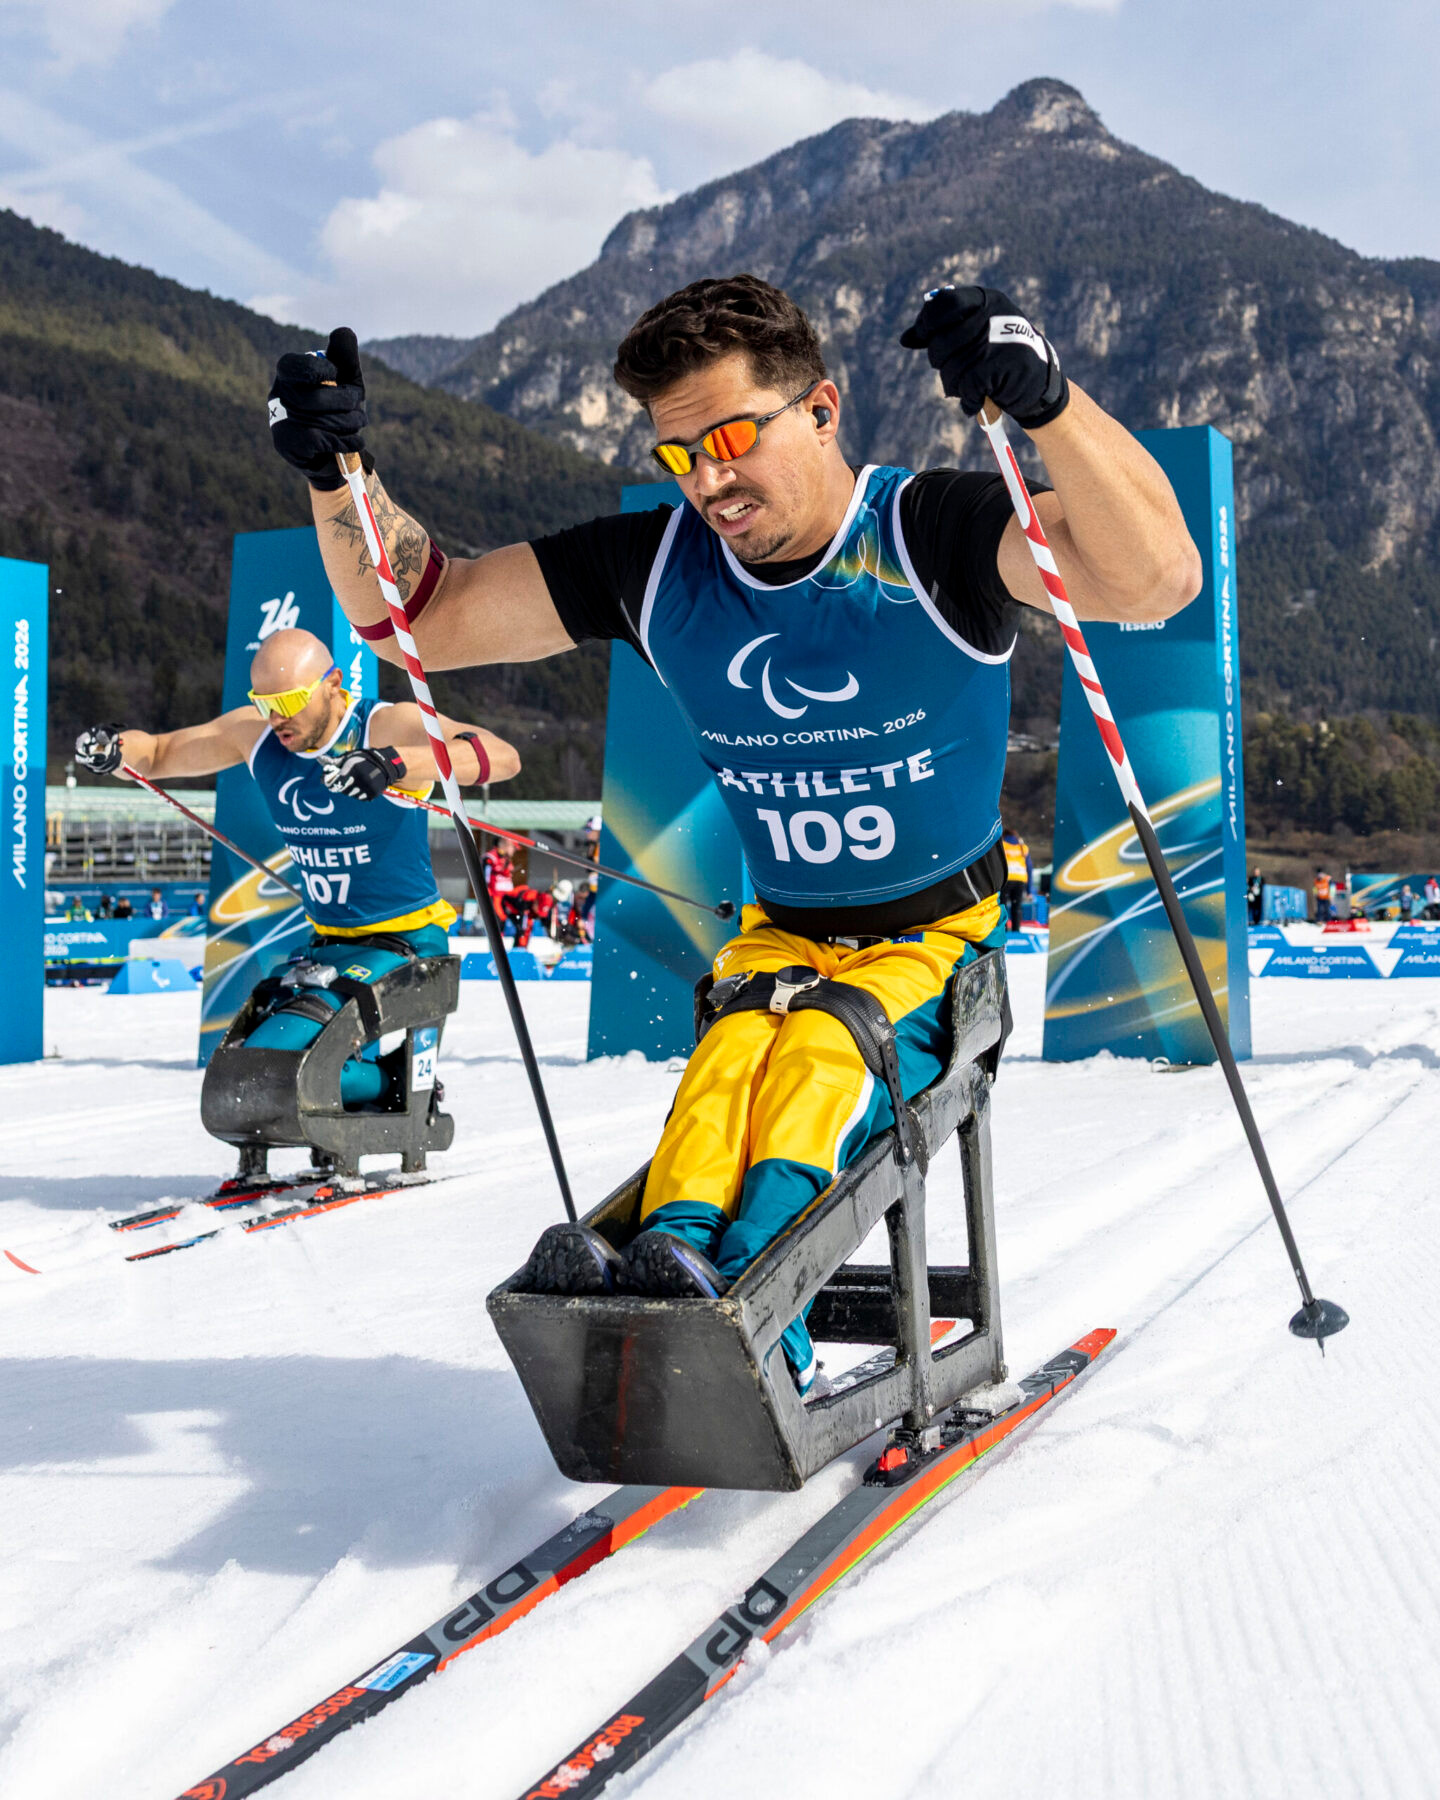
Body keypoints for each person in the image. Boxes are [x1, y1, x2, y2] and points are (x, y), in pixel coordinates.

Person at [267, 279, 1199, 1392]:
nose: (708, 480)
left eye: (731, 438)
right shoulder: (659, 568)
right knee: (725, 1067)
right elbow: (419, 613)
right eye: (679, 455)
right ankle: (667, 1263)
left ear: (821, 408)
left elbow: (1157, 580)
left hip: (934, 943)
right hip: (777, 935)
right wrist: (340, 480)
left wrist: (1046, 404)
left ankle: (757, 1310)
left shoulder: (930, 532)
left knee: (816, 1060)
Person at [74, 629, 518, 1108]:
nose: (277, 717)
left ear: (333, 683)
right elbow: (159, 753)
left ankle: (400, 1088)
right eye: (264, 702)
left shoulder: (386, 726)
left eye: (289, 700)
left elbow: (503, 756)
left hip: (406, 942)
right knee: (245, 1063)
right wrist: (114, 748)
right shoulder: (258, 735)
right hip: (326, 945)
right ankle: (365, 1099)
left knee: (288, 1066)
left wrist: (393, 763)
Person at [1000, 826, 1032, 931]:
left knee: (1002, 906)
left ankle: (1003, 931)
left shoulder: (1002, 845)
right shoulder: (1023, 847)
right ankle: (1016, 931)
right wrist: (1029, 890)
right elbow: (1029, 868)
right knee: (1017, 906)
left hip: (1006, 879)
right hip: (1020, 880)